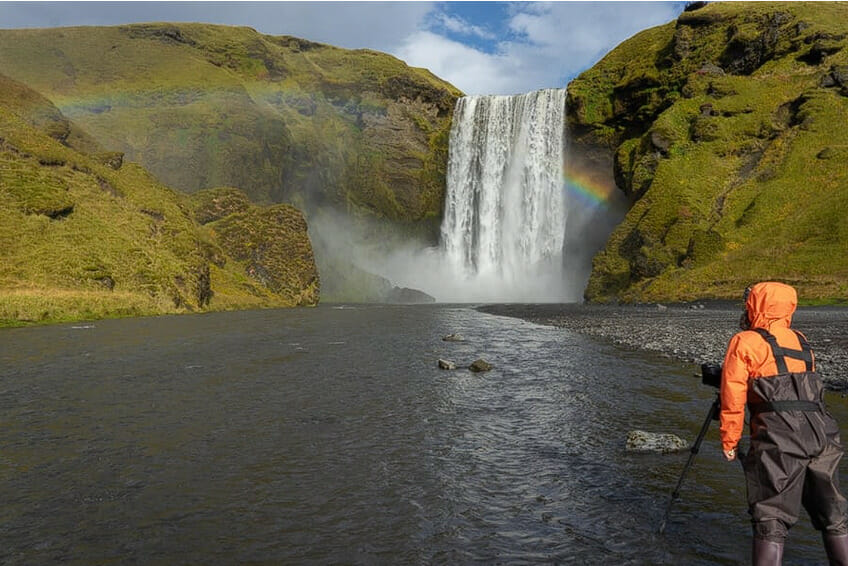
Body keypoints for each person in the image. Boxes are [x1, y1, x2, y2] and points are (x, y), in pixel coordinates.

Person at [720, 281, 848, 565]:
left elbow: (733, 397)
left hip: (779, 438)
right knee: (833, 514)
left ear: (755, 305)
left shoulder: (744, 341)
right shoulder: (801, 340)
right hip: (822, 433)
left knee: (771, 517)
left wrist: (730, 441)